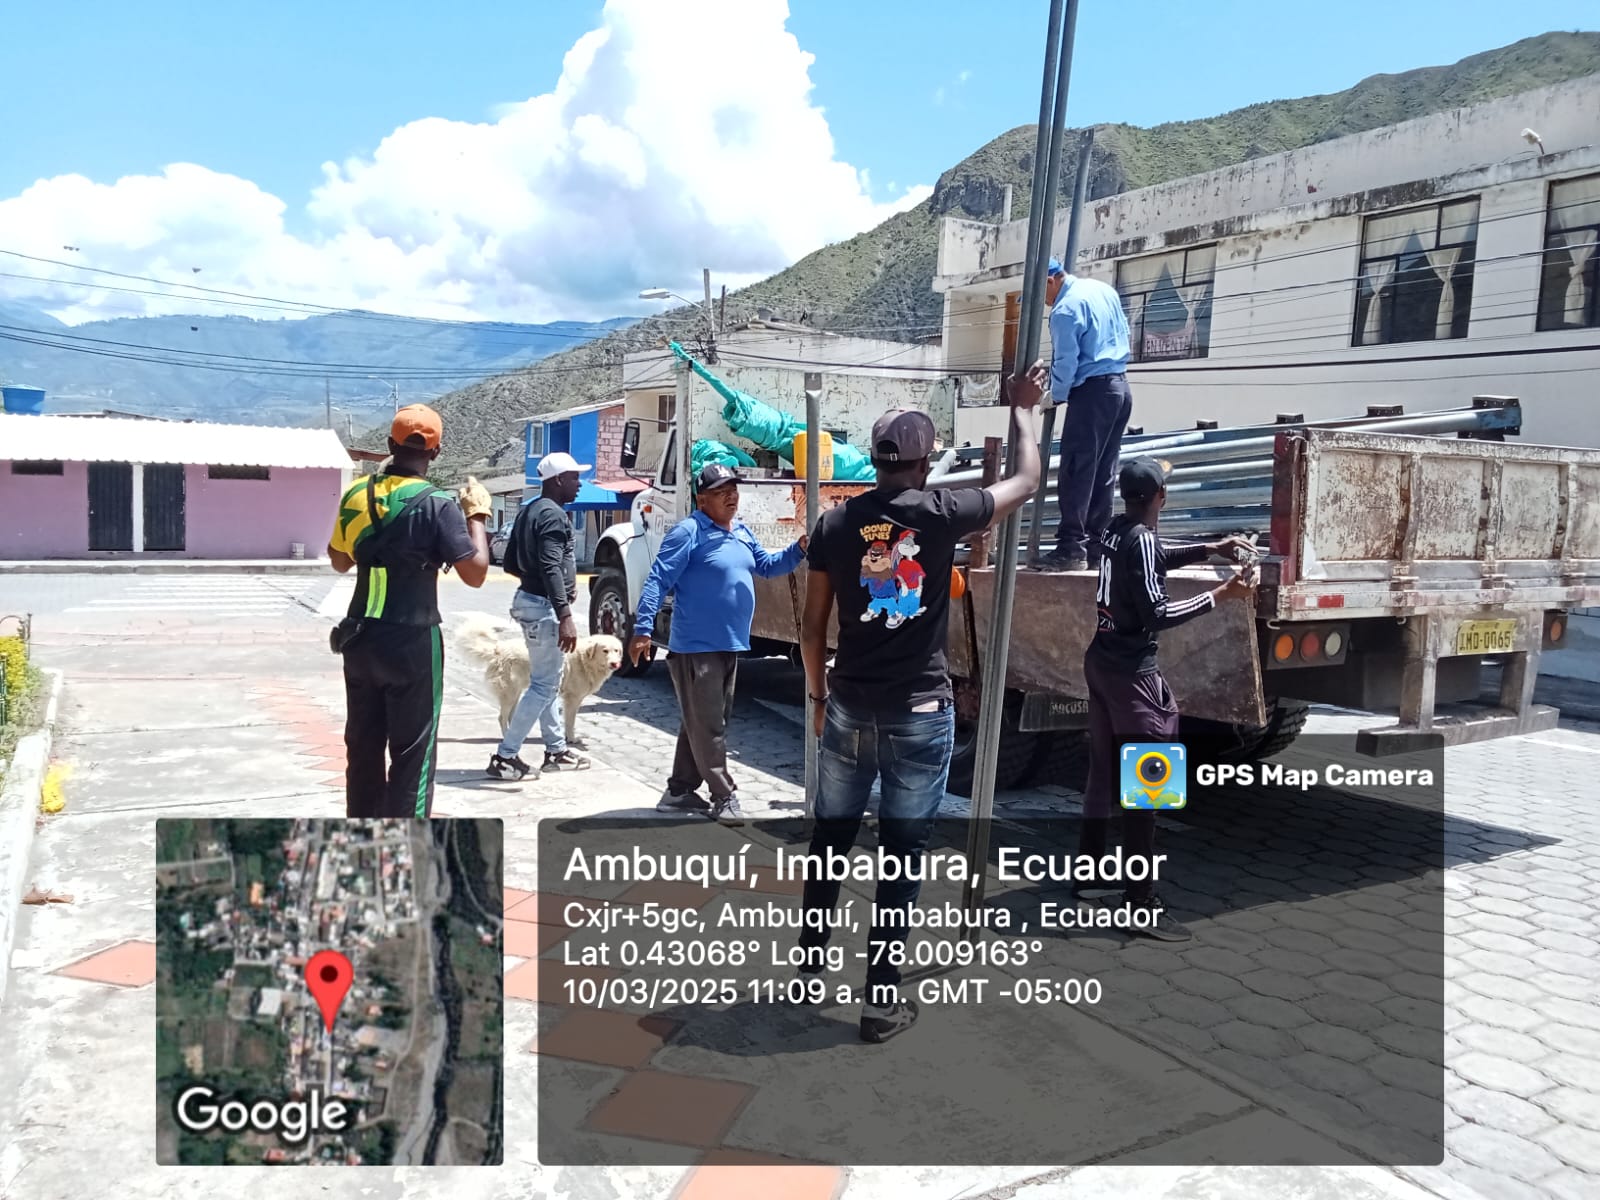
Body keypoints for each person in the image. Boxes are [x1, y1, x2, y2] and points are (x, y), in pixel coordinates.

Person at [796, 361, 1049, 1043]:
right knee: (901, 857)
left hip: (848, 704)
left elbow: (812, 628)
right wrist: (1023, 411)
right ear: (925, 459)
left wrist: (817, 696)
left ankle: (810, 965)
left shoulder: (835, 524)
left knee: (830, 837)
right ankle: (880, 1003)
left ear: (876, 459)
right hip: (920, 713)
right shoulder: (942, 514)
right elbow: (1026, 481)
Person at [1078, 456, 1254, 941]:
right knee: (1149, 785)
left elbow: (1151, 558)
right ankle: (1139, 903)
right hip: (1134, 675)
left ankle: (1090, 876)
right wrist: (1221, 595)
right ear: (1161, 497)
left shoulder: (1117, 531)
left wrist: (1210, 549)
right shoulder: (1139, 539)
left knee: (1102, 773)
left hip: (1102, 662)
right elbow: (1156, 613)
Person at [328, 404, 491, 818]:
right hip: (413, 642)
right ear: (436, 452)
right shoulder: (438, 504)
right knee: (412, 754)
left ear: (390, 444)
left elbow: (339, 561)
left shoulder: (357, 493)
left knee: (363, 747)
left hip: (360, 638)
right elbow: (475, 573)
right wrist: (477, 516)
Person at [628, 463, 807, 823]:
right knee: (710, 727)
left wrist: (798, 549)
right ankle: (723, 795)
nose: (731, 497)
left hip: (729, 643)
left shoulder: (740, 531)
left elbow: (767, 566)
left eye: (734, 490)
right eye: (722, 492)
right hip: (697, 648)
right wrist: (643, 628)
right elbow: (658, 579)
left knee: (701, 722)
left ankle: (679, 791)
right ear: (702, 500)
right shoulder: (689, 532)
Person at [487, 451, 591, 780]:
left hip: (530, 601)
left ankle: (556, 751)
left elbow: (510, 563)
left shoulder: (529, 511)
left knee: (548, 680)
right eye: (574, 477)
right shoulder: (553, 516)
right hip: (544, 609)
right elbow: (550, 566)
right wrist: (564, 614)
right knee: (545, 685)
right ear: (558, 480)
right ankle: (505, 757)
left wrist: (537, 584)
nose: (579, 484)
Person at [1038, 257, 1134, 572]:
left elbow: (1066, 360)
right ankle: (1096, 549)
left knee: (1077, 470)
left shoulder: (1065, 310)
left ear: (1050, 281)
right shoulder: (1101, 290)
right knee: (1103, 472)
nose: (1043, 302)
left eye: (1041, 292)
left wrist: (1056, 394)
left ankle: (1071, 549)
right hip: (1119, 388)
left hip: (1092, 393)